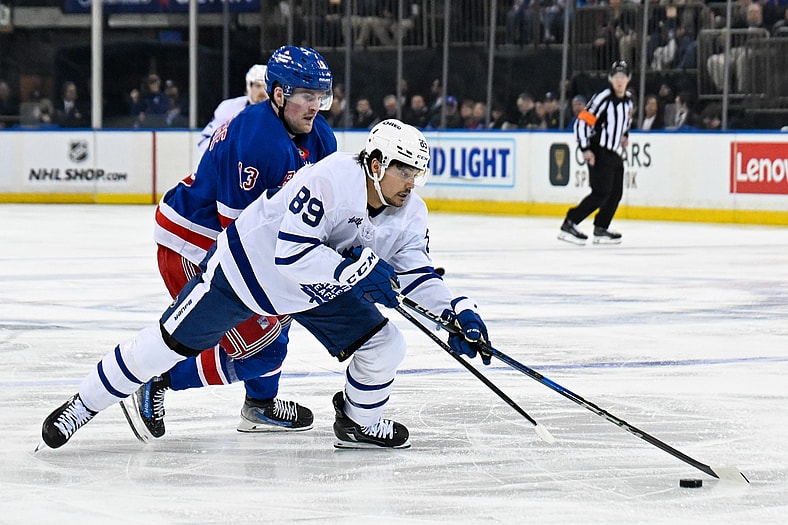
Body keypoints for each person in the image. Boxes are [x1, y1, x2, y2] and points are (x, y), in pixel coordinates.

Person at [40, 119, 492, 451]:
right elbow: (291, 255)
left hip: (316, 288)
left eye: (418, 173)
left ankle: (359, 422)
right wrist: (357, 271)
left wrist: (457, 312)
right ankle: (83, 403)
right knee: (162, 346)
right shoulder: (333, 177)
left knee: (385, 344)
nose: (412, 183)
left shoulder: (410, 213)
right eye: (404, 170)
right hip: (244, 275)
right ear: (375, 163)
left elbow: (417, 273)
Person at [121, 46, 336, 442]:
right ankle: (157, 378)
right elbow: (240, 235)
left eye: (321, 96)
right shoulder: (257, 138)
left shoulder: (319, 134)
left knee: (277, 317)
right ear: (277, 94)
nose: (315, 105)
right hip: (194, 243)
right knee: (262, 349)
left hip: (230, 239)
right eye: (305, 95)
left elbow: (330, 205)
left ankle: (260, 406)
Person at [559, 60, 633, 246]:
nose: (619, 80)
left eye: (623, 77)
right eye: (616, 77)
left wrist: (624, 136)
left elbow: (624, 122)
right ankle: (570, 222)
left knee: (615, 192)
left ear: (628, 79)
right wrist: (585, 149)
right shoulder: (603, 98)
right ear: (610, 78)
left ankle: (601, 227)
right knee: (600, 192)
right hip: (598, 150)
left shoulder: (628, 100)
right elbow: (582, 122)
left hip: (613, 151)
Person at [197, 64, 268, 156]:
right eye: (258, 86)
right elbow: (205, 142)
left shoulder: (284, 112)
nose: (262, 91)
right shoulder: (228, 108)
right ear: (248, 87)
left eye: (266, 86)